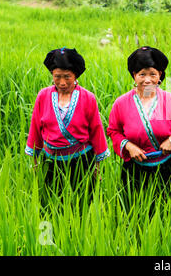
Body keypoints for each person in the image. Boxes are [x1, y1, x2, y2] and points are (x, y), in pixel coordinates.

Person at [107, 46, 171, 198]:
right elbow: (113, 131)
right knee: (135, 213)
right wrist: (129, 146)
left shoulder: (170, 100)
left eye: (153, 74)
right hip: (134, 170)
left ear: (160, 75)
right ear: (134, 75)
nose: (147, 79)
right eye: (142, 74)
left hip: (167, 168)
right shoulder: (121, 103)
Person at [25, 47, 110, 200]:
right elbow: (35, 128)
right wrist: (35, 161)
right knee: (53, 203)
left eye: (67, 77)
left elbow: (96, 130)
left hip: (81, 160)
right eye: (57, 77)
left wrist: (97, 166)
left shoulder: (88, 98)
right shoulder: (43, 96)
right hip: (51, 161)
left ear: (75, 75)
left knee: (84, 202)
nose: (62, 82)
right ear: (52, 74)